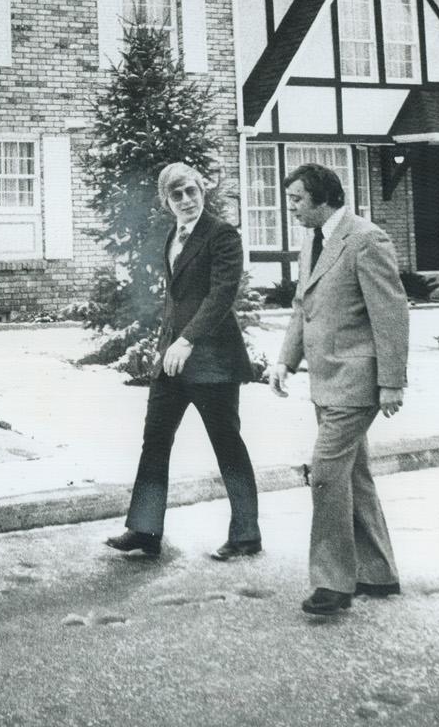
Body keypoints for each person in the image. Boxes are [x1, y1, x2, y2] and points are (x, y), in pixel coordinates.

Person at [106, 162, 271, 562]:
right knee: (155, 439)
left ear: (202, 191)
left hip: (212, 360)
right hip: (172, 359)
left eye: (191, 191)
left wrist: (187, 340)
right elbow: (177, 298)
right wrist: (167, 345)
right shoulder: (173, 234)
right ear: (166, 201)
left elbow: (220, 295)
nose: (186, 200)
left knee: (226, 443)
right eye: (176, 194)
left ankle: (246, 534)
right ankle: (144, 530)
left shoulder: (223, 235)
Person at [266, 162, 410, 616]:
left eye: (296, 200)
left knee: (326, 476)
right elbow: (302, 308)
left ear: (323, 198)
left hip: (356, 381)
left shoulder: (366, 239)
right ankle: (378, 573)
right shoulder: (313, 241)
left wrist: (391, 382)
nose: (290, 208)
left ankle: (333, 584)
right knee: (353, 476)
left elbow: (391, 316)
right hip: (326, 382)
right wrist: (285, 361)